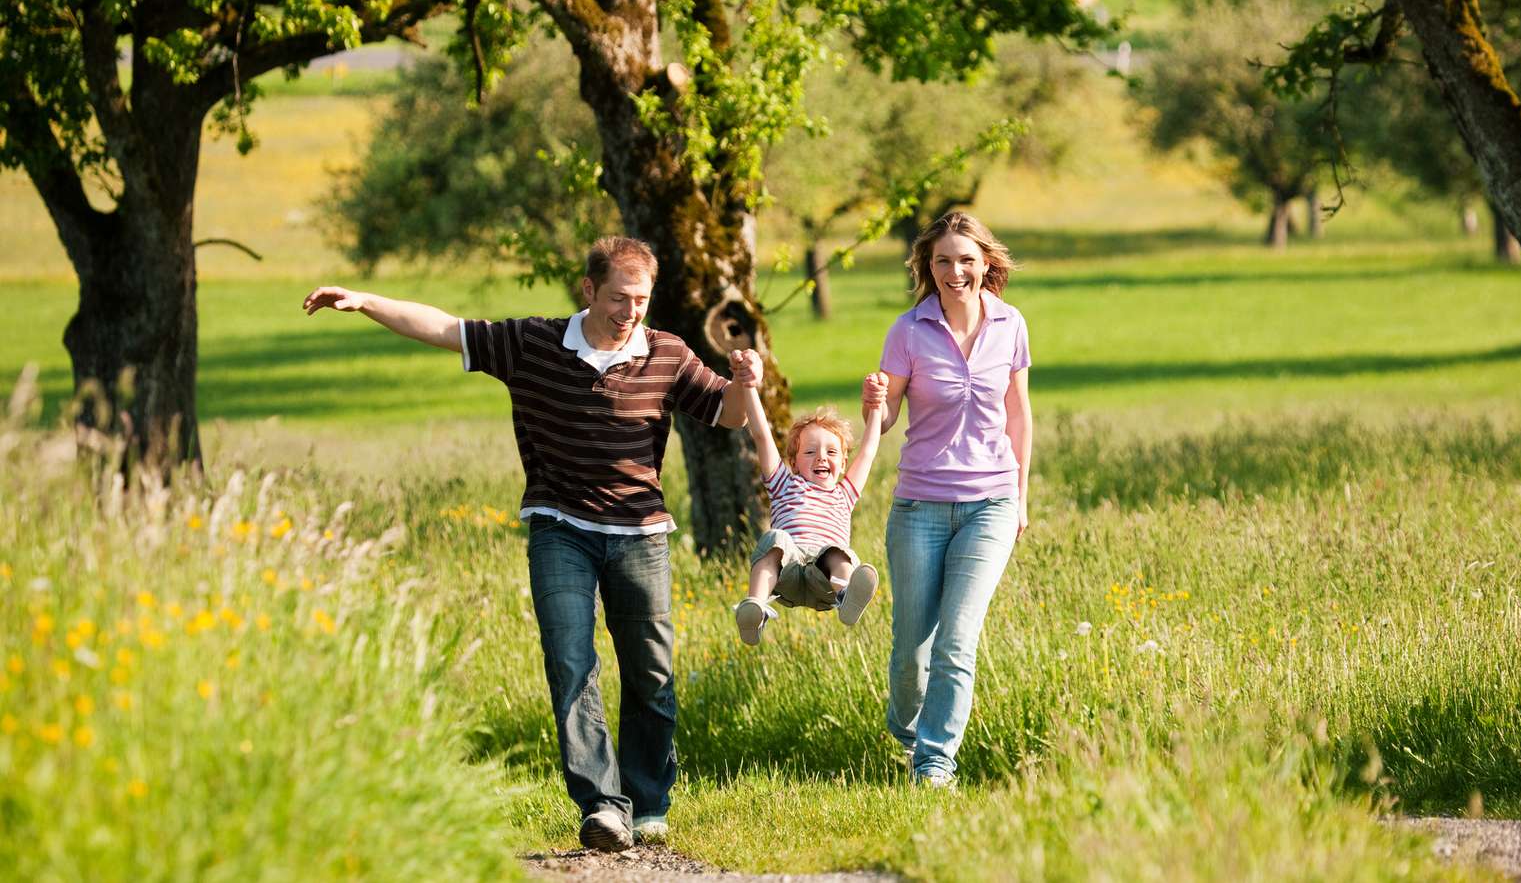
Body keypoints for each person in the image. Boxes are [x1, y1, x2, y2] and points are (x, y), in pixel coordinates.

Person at [301, 237, 761, 851]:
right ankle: (603, 805)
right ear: (589, 290)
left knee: (649, 671)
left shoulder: (666, 354)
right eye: (619, 297)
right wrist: (364, 301)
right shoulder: (534, 343)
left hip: (640, 533)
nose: (630, 311)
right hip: (559, 527)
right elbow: (444, 328)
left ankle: (649, 802)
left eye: (642, 300)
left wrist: (745, 382)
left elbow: (726, 414)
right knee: (570, 661)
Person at [865, 212, 1032, 789]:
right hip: (920, 507)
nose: (955, 271)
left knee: (958, 641)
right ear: (927, 266)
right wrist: (875, 404)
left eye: (966, 259)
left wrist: (1021, 496)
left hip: (991, 501)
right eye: (943, 260)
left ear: (987, 262)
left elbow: (1018, 415)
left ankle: (934, 765)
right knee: (913, 653)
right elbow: (886, 420)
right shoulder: (908, 331)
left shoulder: (1011, 325)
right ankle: (907, 729)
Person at [731, 373, 887, 645]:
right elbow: (761, 436)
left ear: (843, 461)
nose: (821, 457)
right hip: (787, 573)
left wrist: (875, 406)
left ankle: (846, 595)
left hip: (823, 581)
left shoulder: (844, 494)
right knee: (775, 540)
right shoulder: (783, 484)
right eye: (810, 452)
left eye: (831, 452)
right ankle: (754, 607)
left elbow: (869, 450)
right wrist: (749, 386)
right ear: (793, 461)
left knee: (837, 553)